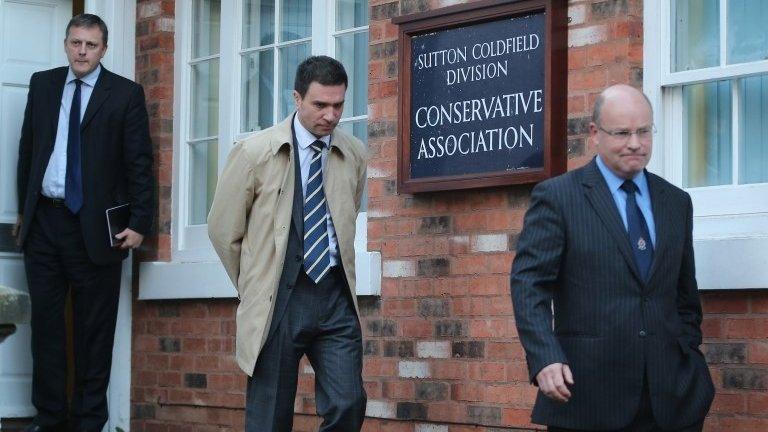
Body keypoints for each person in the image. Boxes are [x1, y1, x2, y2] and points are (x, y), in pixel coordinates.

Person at [510, 84, 714, 431]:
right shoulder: (558, 198)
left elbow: (685, 295)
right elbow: (529, 285)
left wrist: (688, 356)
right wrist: (545, 357)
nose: (635, 143)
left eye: (643, 132)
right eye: (622, 133)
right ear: (595, 134)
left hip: (671, 402)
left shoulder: (676, 202)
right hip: (589, 399)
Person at [208, 56, 367, 432]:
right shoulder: (254, 153)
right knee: (269, 417)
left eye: (339, 105)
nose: (330, 115)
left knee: (349, 402)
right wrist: (255, 282)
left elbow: (346, 215)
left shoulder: (354, 154)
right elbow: (222, 229)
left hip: (335, 297)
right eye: (320, 105)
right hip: (277, 299)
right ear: (296, 98)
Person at [14, 14, 153, 432]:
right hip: (45, 227)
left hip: (97, 232)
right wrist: (26, 211)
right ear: (66, 43)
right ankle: (50, 418)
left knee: (94, 333)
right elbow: (27, 152)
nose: (82, 52)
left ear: (104, 49)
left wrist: (140, 221)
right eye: (76, 43)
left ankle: (90, 421)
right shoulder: (43, 85)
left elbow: (140, 163)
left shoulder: (125, 95)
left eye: (91, 46)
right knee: (46, 331)